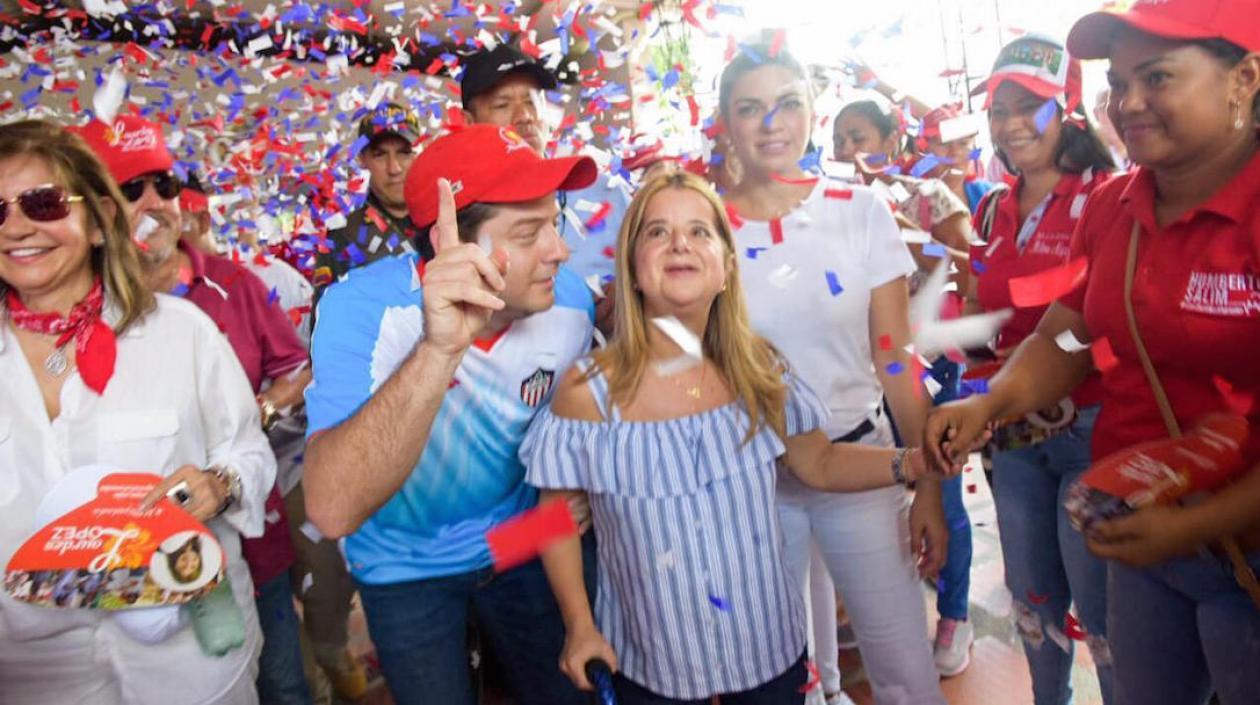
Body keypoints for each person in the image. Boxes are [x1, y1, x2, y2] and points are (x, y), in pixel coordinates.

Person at [932, 3, 1260, 703]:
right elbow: (1077, 332)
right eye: (1120, 81)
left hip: (1241, 547)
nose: (1130, 102)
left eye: (1159, 77)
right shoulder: (1119, 209)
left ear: (1244, 79)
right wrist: (990, 400)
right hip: (1140, 534)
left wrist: (1195, 524)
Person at [524, 169, 935, 705]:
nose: (679, 244)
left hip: (766, 651)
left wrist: (918, 463)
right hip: (650, 661)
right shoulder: (586, 391)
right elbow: (552, 518)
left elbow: (821, 464)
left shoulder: (760, 370)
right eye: (656, 232)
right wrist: (580, 625)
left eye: (700, 232)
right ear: (633, 268)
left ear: (726, 267)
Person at [302, 124, 599, 705]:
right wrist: (440, 350)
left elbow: (574, 433)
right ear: (451, 245)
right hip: (403, 565)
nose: (559, 251)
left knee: (566, 694)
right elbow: (332, 509)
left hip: (525, 539)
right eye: (529, 231)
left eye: (555, 222)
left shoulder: (570, 300)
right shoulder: (359, 309)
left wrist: (573, 498)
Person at [0, 118, 274, 704]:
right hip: (31, 675)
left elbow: (247, 450)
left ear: (98, 222)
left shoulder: (182, 332)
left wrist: (219, 484)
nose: (17, 226)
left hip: (189, 665)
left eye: (43, 203)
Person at [720, 41, 949, 705]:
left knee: (904, 665)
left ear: (811, 113)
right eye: (750, 108)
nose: (771, 124)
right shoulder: (706, 223)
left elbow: (894, 358)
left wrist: (927, 485)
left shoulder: (859, 209)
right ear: (727, 122)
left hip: (862, 464)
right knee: (788, 674)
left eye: (787, 104)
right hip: (756, 479)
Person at [74, 114, 315, 705]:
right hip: (120, 588)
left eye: (164, 183)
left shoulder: (234, 283)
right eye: (132, 189)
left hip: (254, 543)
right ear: (99, 213)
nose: (154, 201)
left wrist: (255, 420)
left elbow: (298, 370)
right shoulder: (71, 318)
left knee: (282, 682)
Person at [955, 33, 1120, 705]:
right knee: (1032, 599)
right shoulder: (993, 206)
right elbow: (979, 312)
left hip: (1094, 431)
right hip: (1011, 437)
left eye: (1032, 105)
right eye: (999, 108)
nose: (1011, 122)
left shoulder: (1108, 197)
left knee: (1105, 615)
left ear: (1069, 108)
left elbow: (1094, 323)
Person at [460, 44, 632, 286]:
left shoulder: (608, 193)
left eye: (532, 101)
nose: (525, 116)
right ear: (469, 122)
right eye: (502, 105)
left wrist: (634, 293)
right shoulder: (463, 215)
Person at [314, 102, 430, 291]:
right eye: (380, 155)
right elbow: (323, 316)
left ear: (419, 154)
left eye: (404, 153)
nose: (395, 168)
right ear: (362, 159)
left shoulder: (444, 222)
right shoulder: (342, 236)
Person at [918, 104, 1000, 215]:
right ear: (924, 150)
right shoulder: (908, 198)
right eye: (944, 144)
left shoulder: (990, 196)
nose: (955, 152)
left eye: (963, 143)